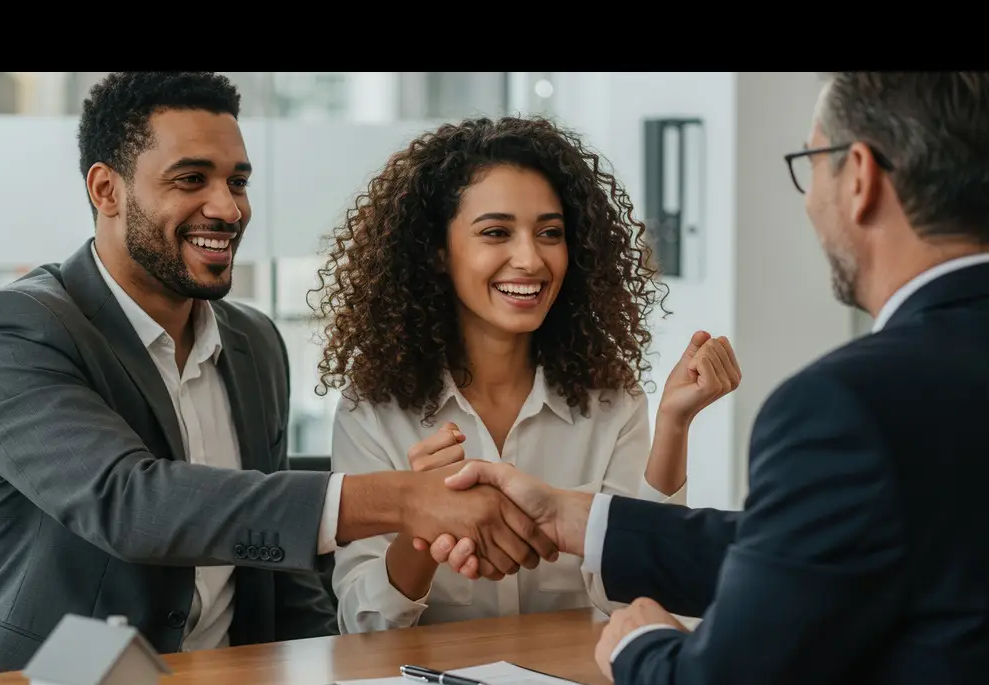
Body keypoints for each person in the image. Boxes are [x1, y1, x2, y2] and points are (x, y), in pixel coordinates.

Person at [433, 71, 989, 685]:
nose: (809, 202)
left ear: (859, 176)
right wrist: (580, 520)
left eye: (812, 163)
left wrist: (639, 642)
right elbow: (811, 553)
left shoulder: (846, 405)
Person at [0, 72, 556, 677]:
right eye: (191, 179)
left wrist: (342, 683)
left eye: (237, 181)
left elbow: (274, 571)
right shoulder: (12, 330)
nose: (227, 208)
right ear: (107, 191)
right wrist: (403, 499)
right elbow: (128, 503)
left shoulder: (254, 343)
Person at [309, 116, 740, 633]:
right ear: (437, 252)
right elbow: (363, 628)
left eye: (550, 233)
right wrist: (419, 519)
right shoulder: (373, 409)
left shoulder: (611, 398)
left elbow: (642, 602)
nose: (530, 259)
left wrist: (674, 425)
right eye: (496, 232)